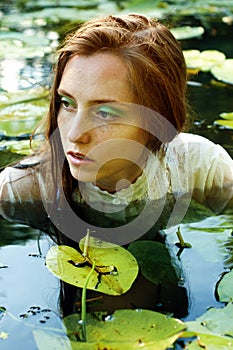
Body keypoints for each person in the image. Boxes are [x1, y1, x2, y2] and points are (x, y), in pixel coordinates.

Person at [0, 13, 232, 314]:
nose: (72, 134)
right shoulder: (21, 190)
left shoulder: (202, 169)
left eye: (105, 112)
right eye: (67, 103)